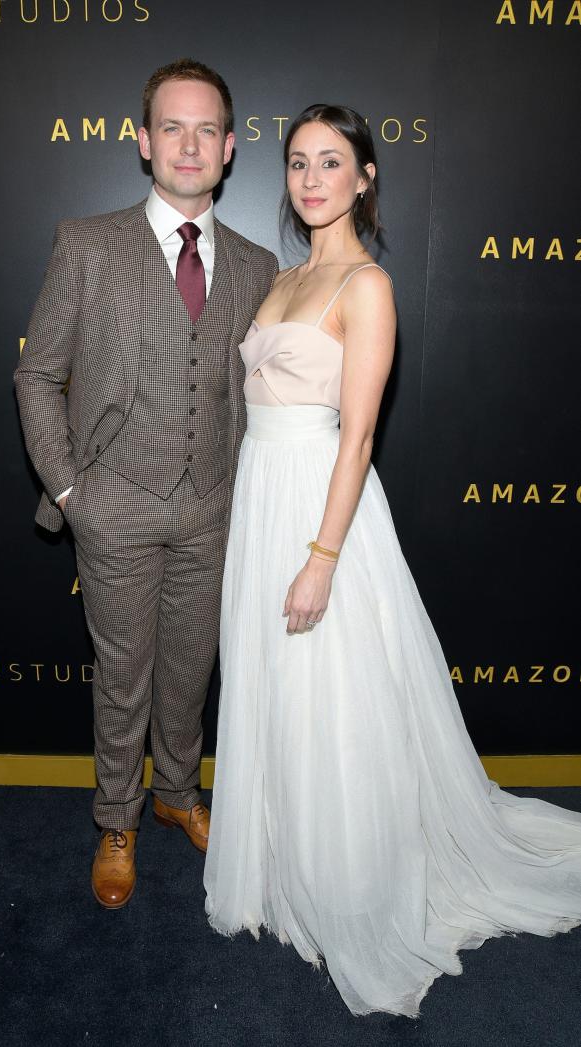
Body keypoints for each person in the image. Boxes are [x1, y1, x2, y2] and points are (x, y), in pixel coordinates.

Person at [203, 104, 581, 1017]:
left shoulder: (365, 286)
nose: (311, 178)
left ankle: (350, 886)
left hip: (321, 510)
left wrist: (321, 556)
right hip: (263, 496)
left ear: (365, 176)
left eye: (332, 162)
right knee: (277, 687)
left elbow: (359, 431)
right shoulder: (284, 279)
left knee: (335, 696)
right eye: (297, 162)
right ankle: (281, 864)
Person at [14, 59, 278, 909]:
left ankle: (176, 795)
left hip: (211, 507)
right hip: (114, 505)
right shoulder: (85, 244)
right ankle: (117, 818)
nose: (189, 144)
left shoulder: (255, 262)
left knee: (190, 671)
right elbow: (36, 375)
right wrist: (69, 492)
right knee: (122, 675)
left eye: (207, 129)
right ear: (142, 142)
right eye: (173, 126)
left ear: (231, 148)